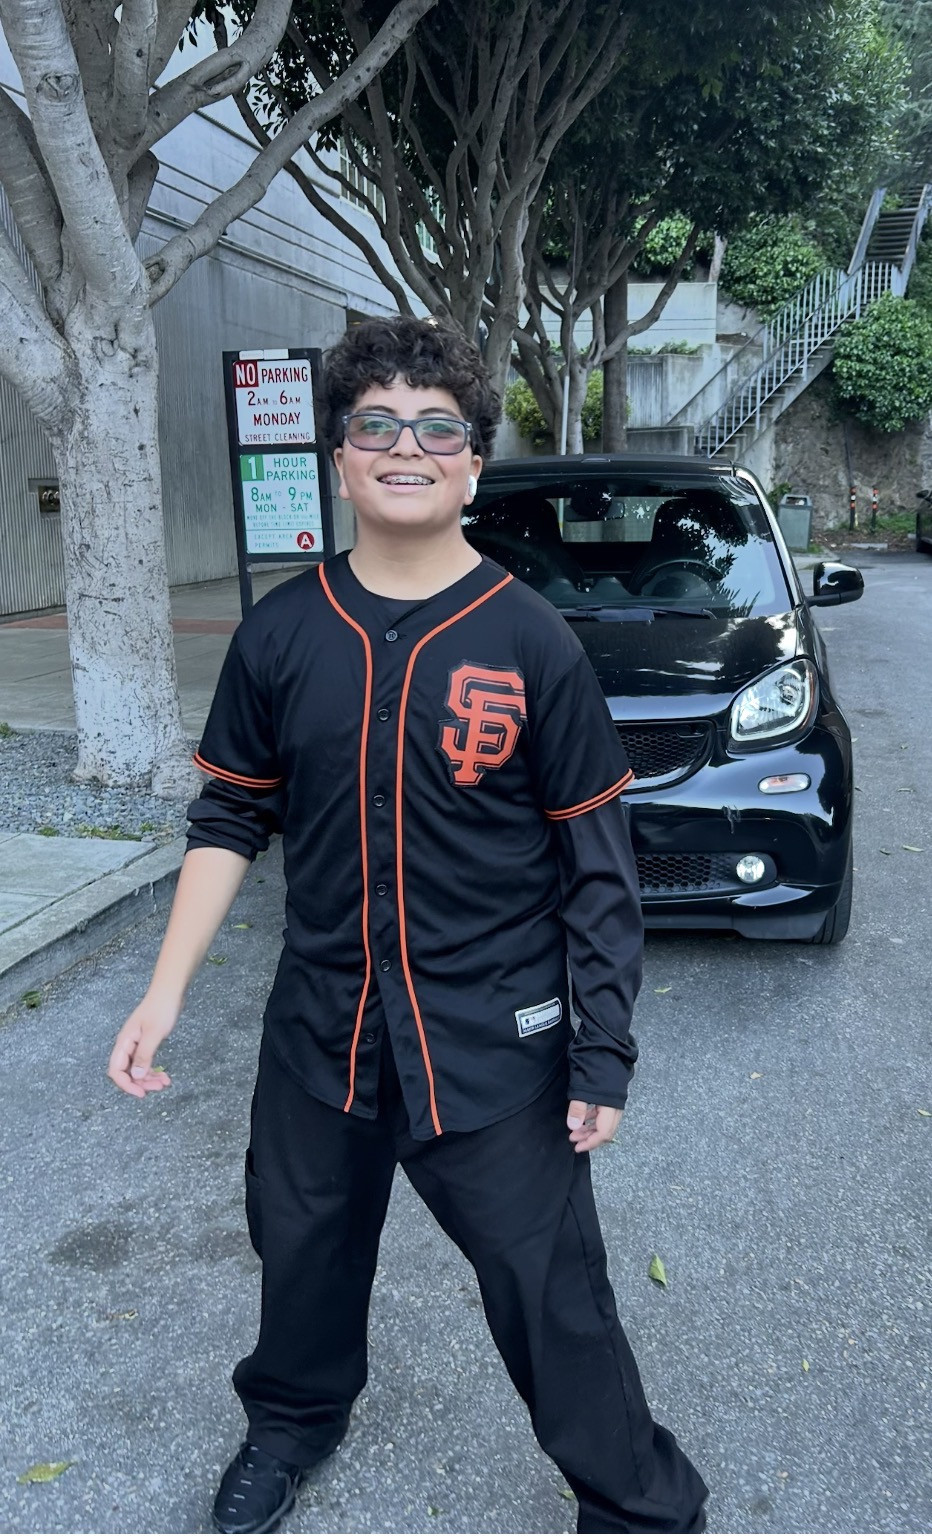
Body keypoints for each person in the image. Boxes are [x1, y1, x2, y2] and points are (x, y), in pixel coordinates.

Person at [108, 315, 708, 1536]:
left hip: (492, 1035)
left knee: (549, 1286)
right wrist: (163, 993)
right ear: (338, 457)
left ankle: (637, 1502)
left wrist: (600, 1050)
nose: (405, 446)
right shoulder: (282, 632)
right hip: (321, 1025)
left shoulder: (530, 641)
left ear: (472, 464)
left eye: (437, 429)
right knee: (301, 1246)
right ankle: (290, 1424)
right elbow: (230, 815)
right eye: (375, 423)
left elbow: (597, 868)